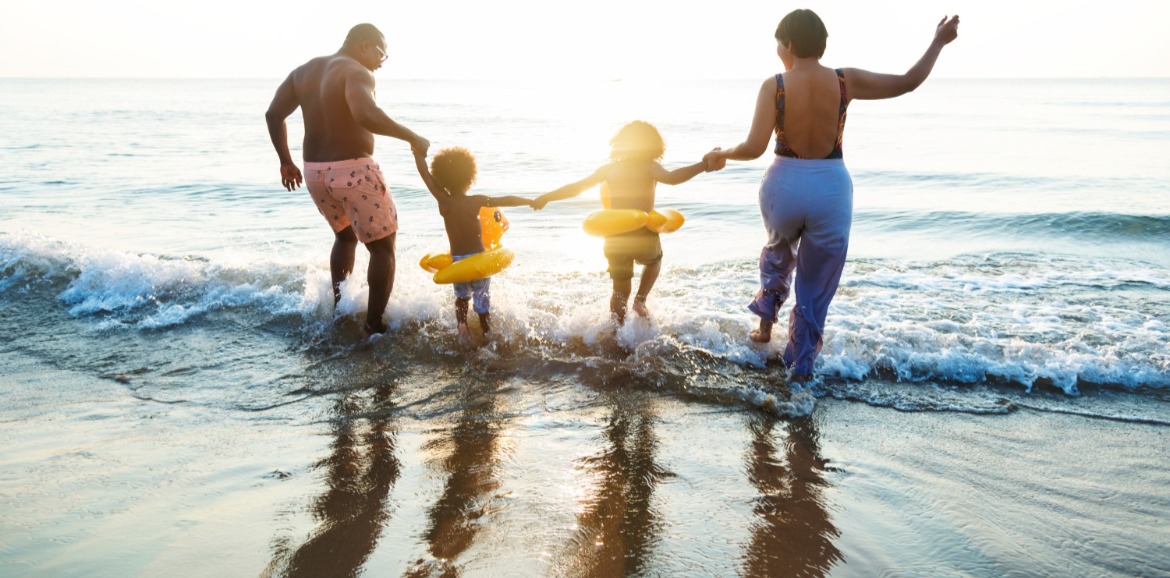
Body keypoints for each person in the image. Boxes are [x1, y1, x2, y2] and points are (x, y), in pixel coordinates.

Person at [704, 10, 960, 379]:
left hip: (784, 185)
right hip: (831, 188)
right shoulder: (845, 80)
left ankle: (764, 327)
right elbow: (907, 82)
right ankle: (801, 366)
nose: (777, 49)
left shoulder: (774, 85)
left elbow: (754, 147)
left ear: (789, 43)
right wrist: (938, 41)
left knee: (778, 250)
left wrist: (721, 153)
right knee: (815, 282)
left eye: (778, 42)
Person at [264, 23, 429, 336]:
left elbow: (273, 115)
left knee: (345, 237)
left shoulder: (304, 71)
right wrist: (412, 137)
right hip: (354, 172)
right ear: (365, 45)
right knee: (382, 250)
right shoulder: (356, 71)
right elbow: (365, 113)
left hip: (314, 173)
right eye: (382, 51)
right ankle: (373, 327)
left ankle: (341, 312)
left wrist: (285, 162)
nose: (383, 60)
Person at [534, 121, 719, 325]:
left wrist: (546, 197)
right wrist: (703, 166)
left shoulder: (608, 169)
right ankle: (640, 300)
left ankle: (617, 332)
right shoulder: (650, 167)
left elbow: (577, 188)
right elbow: (673, 178)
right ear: (653, 145)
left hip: (615, 238)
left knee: (619, 291)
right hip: (643, 234)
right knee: (655, 260)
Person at [413, 147, 535, 341]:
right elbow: (505, 200)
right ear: (470, 178)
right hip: (479, 261)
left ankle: (462, 325)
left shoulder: (443, 200)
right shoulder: (475, 201)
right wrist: (529, 201)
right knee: (482, 296)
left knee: (461, 298)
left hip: (458, 262)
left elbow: (425, 175)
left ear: (442, 179)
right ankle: (486, 330)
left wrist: (417, 153)